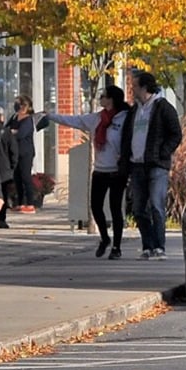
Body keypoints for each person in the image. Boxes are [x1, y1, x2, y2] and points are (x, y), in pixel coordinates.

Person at [46, 86, 129, 257]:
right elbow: (74, 120)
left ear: (112, 99)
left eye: (103, 97)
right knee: (96, 206)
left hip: (117, 170)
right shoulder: (96, 119)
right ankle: (105, 238)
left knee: (115, 208)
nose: (100, 100)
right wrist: (50, 116)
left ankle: (117, 247)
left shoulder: (125, 118)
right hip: (100, 169)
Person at [120, 69, 183, 260]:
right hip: (137, 165)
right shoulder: (135, 110)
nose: (132, 90)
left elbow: (175, 134)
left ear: (145, 87)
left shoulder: (163, 107)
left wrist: (162, 153)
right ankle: (147, 245)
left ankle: (160, 246)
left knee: (156, 205)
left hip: (156, 165)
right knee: (139, 208)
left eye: (134, 87)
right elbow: (127, 135)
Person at [6, 96, 40, 212]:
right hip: (15, 152)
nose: (17, 106)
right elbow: (6, 130)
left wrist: (13, 132)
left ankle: (30, 203)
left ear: (25, 106)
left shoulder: (28, 120)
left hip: (26, 152)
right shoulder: (15, 117)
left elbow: (21, 134)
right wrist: (12, 132)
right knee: (17, 177)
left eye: (19, 104)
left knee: (26, 177)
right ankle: (20, 203)